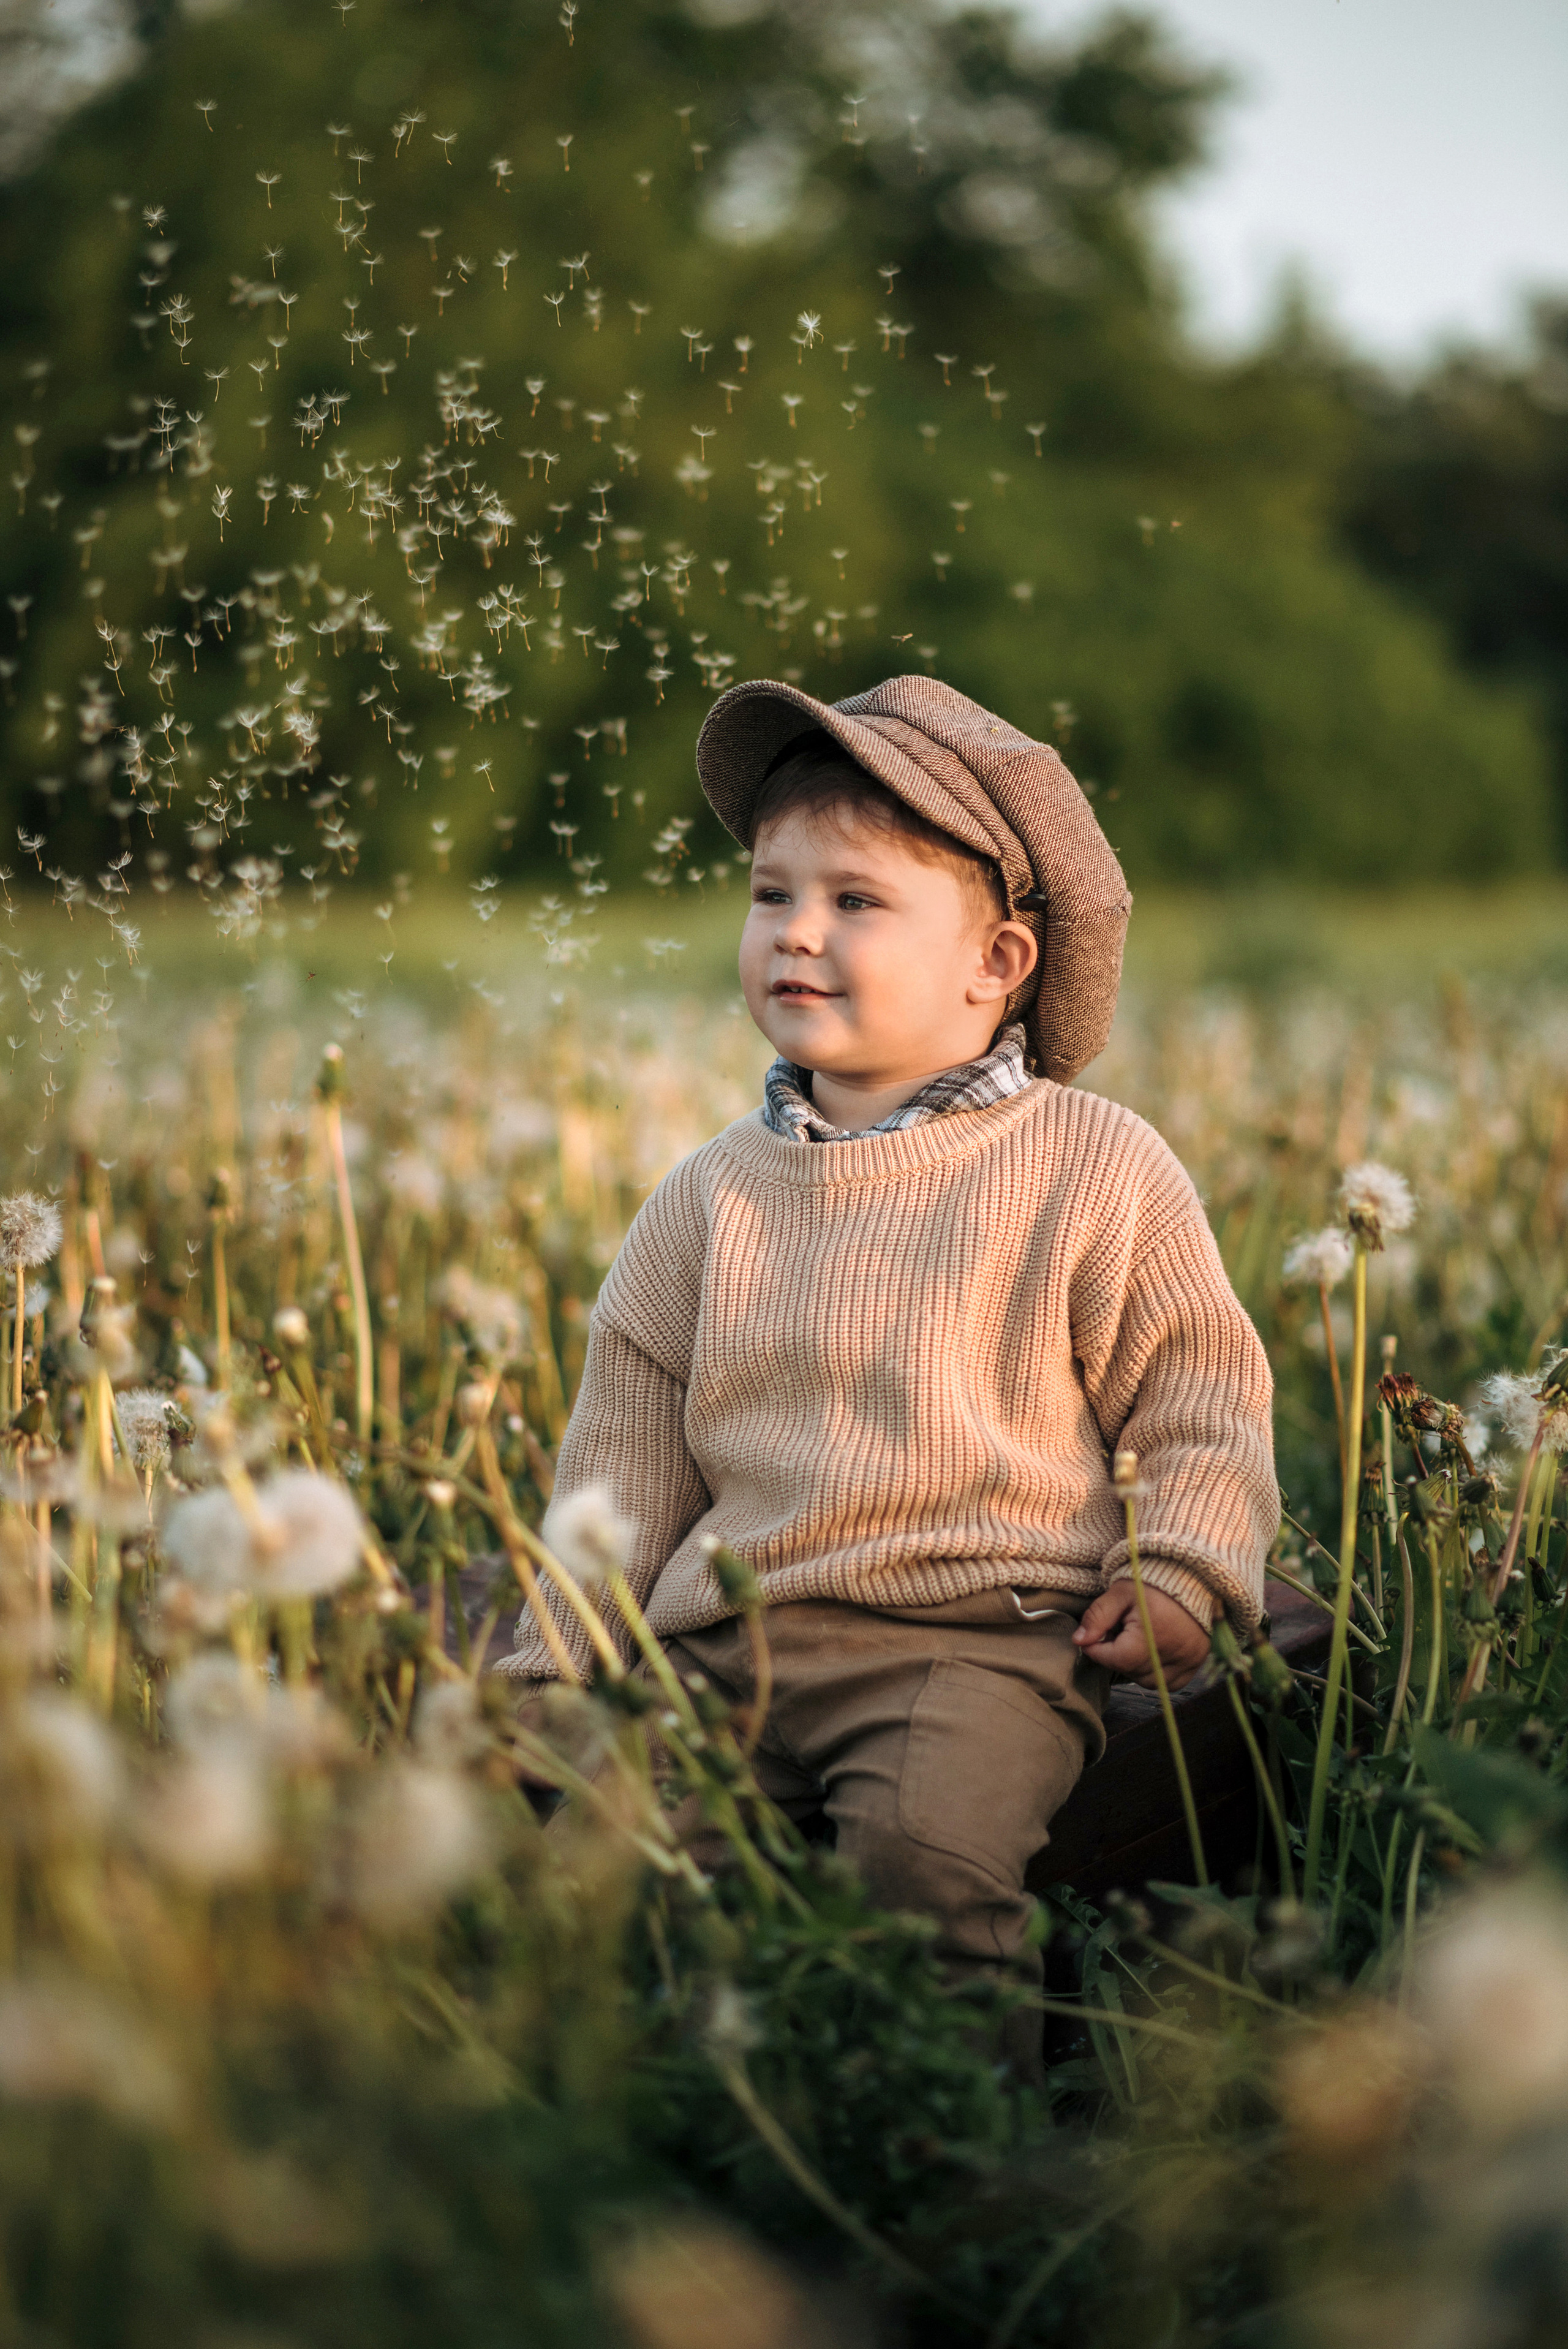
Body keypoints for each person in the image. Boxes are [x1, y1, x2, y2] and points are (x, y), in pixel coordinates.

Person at [502, 673, 1278, 2070]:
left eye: (855, 902)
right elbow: (620, 1459)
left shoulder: (1089, 1166)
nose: (796, 931)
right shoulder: (706, 1197)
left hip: (970, 1640)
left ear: (996, 965)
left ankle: (934, 2153)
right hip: (718, 1641)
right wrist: (556, 1660)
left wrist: (1181, 1569)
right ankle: (686, 2144)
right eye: (768, 894)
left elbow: (1196, 1396)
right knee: (612, 1874)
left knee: (924, 1867)